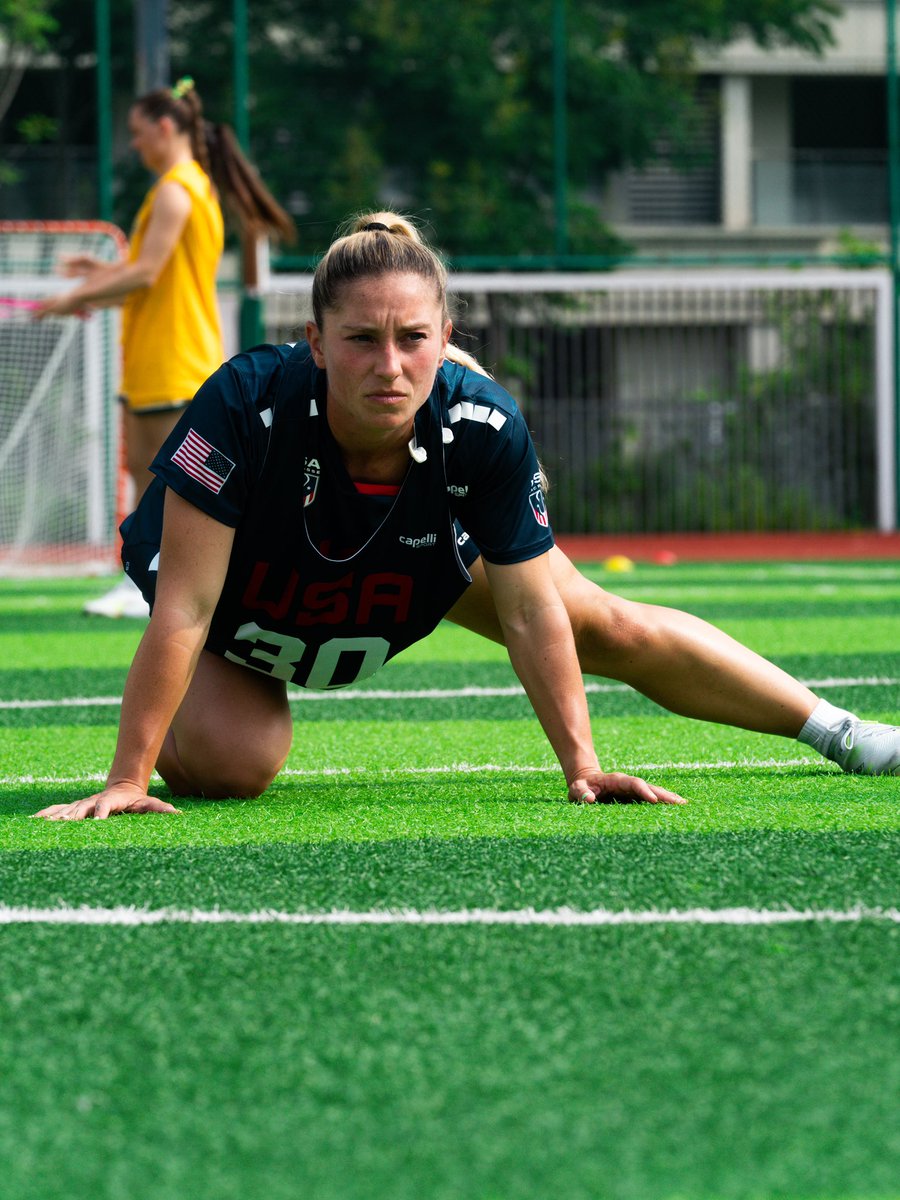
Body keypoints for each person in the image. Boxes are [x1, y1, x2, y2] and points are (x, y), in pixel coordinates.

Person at [33, 211, 898, 822]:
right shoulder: (244, 404)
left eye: (414, 338)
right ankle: (176, 734)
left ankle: (842, 731)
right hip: (249, 580)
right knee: (236, 762)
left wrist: (583, 766)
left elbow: (530, 611)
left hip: (400, 553)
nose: (390, 364)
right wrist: (126, 774)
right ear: (315, 341)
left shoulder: (480, 424)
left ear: (446, 336)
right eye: (362, 340)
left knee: (604, 622)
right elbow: (184, 606)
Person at [34, 75, 295, 618]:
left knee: (164, 482)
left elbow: (147, 274)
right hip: (158, 356)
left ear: (165, 126)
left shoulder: (178, 188)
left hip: (176, 359)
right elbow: (154, 273)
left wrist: (75, 296)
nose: (133, 144)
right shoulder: (180, 186)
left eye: (137, 132)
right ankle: (143, 583)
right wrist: (102, 274)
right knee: (144, 473)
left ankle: (148, 586)